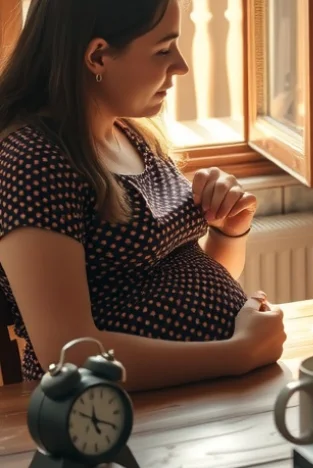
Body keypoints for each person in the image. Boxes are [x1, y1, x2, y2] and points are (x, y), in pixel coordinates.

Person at [0, 0, 286, 391]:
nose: (181, 66)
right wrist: (239, 353)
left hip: (200, 391)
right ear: (98, 56)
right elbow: (69, 354)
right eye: (163, 50)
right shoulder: (33, 161)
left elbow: (168, 278)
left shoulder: (130, 133)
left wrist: (229, 229)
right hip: (114, 410)